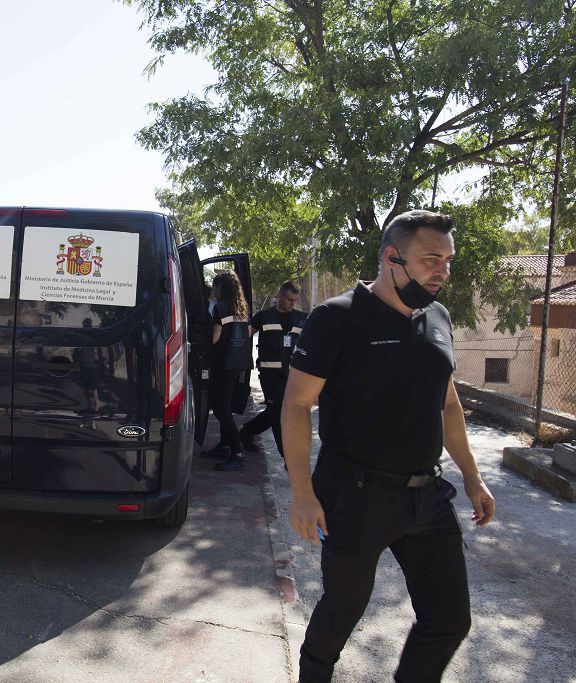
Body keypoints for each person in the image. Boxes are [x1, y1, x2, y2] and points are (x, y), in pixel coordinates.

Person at [282, 210, 496, 682]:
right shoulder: (336, 318)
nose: (442, 271)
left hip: (427, 497)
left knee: (449, 620)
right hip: (355, 493)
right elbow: (296, 406)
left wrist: (473, 477)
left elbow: (449, 404)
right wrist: (302, 493)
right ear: (391, 258)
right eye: (431, 260)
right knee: (342, 610)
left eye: (448, 261)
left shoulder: (438, 317)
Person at [237, 281, 307, 458]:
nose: (293, 303)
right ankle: (287, 456)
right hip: (269, 375)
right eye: (290, 299)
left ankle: (246, 432)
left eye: (295, 300)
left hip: (292, 375)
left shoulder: (302, 318)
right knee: (278, 414)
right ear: (280, 296)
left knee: (277, 410)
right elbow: (243, 338)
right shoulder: (264, 316)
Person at [204, 270, 253, 472]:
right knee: (226, 404)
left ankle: (237, 452)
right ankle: (224, 446)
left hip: (223, 363)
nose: (214, 291)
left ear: (220, 287)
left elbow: (215, 338)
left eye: (215, 287)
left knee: (221, 408)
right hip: (239, 362)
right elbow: (248, 334)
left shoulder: (219, 308)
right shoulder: (242, 309)